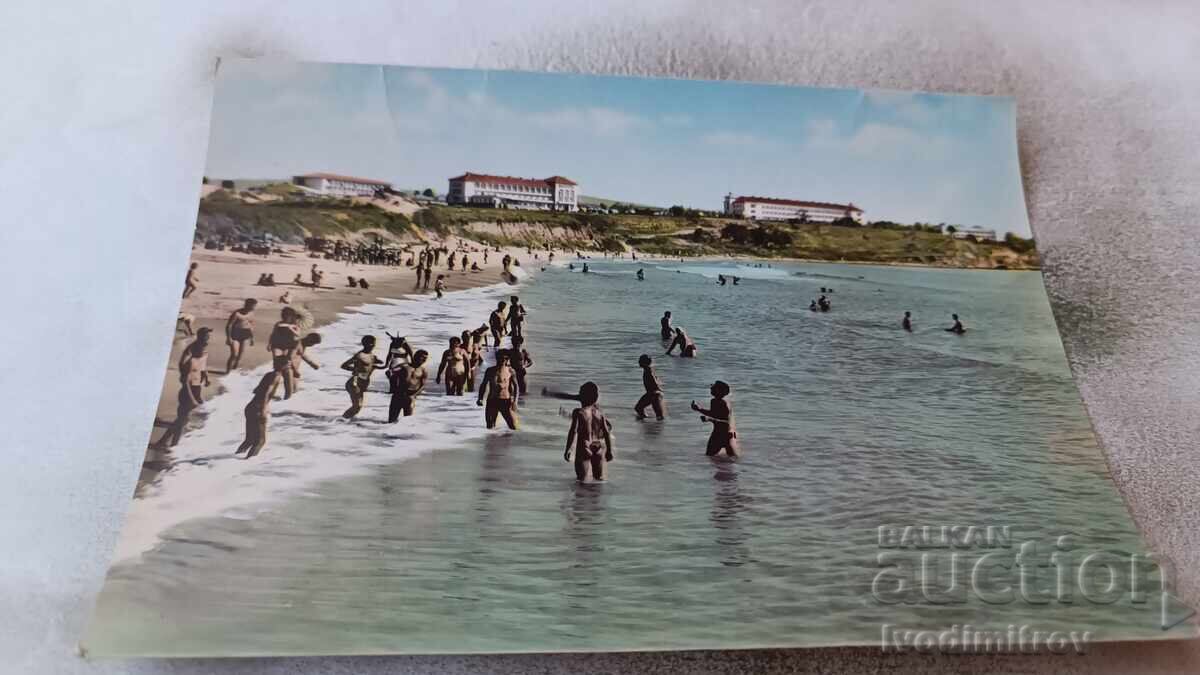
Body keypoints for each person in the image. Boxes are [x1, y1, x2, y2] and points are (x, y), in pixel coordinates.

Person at [156, 327, 212, 448]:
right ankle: (166, 443)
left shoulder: (204, 351)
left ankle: (170, 443)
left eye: (208, 336)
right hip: (188, 390)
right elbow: (184, 376)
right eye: (205, 336)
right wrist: (193, 399)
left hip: (196, 388)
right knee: (182, 419)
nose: (208, 338)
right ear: (199, 336)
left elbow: (203, 366)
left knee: (182, 419)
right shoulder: (190, 354)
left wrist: (206, 378)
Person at [563, 382, 614, 483]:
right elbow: (607, 431)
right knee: (599, 480)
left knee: (581, 481)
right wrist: (609, 451)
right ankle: (596, 498)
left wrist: (568, 449)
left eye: (580, 393)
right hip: (598, 447)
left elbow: (573, 431)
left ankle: (581, 498)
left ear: (583, 397)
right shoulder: (599, 413)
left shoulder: (578, 412)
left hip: (584, 447)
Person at [236, 370, 281, 459]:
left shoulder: (269, 374)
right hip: (258, 409)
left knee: (249, 440)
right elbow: (266, 393)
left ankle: (233, 460)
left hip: (250, 407)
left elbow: (257, 390)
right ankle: (245, 464)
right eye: (288, 363)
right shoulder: (276, 376)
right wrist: (264, 409)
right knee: (260, 441)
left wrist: (273, 396)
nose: (290, 365)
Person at [691, 380, 739, 458]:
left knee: (709, 457)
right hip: (728, 434)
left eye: (714, 387)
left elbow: (717, 417)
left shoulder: (716, 402)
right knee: (732, 459)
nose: (711, 388)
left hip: (719, 434)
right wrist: (699, 409)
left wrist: (707, 418)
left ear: (719, 391)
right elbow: (718, 416)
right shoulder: (725, 402)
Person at [340, 335, 384, 419]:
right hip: (354, 382)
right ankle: (341, 420)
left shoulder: (372, 356)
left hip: (363, 383)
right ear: (369, 344)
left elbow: (380, 364)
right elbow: (344, 365)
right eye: (373, 344)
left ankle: (343, 421)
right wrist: (355, 369)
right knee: (357, 406)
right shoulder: (359, 355)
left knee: (357, 408)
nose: (374, 346)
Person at [476, 350, 519, 430]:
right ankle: (492, 442)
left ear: (508, 359)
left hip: (506, 401)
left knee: (514, 428)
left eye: (506, 358)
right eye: (501, 358)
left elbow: (516, 386)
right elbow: (483, 384)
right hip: (492, 400)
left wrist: (515, 402)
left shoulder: (510, 371)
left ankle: (508, 441)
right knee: (490, 427)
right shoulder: (490, 371)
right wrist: (480, 398)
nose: (503, 360)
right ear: (497, 358)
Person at [388, 350, 429, 422]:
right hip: (398, 395)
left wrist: (414, 395)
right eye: (422, 357)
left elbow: (422, 386)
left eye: (425, 358)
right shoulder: (404, 366)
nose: (424, 360)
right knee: (391, 421)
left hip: (410, 397)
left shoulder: (423, 371)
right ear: (416, 356)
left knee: (407, 422)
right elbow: (389, 373)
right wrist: (393, 388)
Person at [225, 298, 257, 373]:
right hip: (235, 333)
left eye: (255, 306)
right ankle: (228, 372)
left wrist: (252, 338)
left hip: (245, 333)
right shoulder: (237, 313)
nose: (254, 308)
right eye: (253, 306)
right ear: (247, 305)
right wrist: (228, 337)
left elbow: (251, 325)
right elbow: (229, 325)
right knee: (234, 354)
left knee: (240, 356)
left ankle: (233, 370)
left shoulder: (251, 314)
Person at [634, 354, 666, 420]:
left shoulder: (648, 370)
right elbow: (657, 379)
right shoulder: (648, 369)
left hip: (654, 394)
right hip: (652, 393)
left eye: (640, 360)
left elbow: (654, 380)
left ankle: (656, 426)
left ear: (645, 362)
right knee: (638, 408)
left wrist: (658, 389)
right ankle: (647, 421)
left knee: (659, 415)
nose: (639, 362)